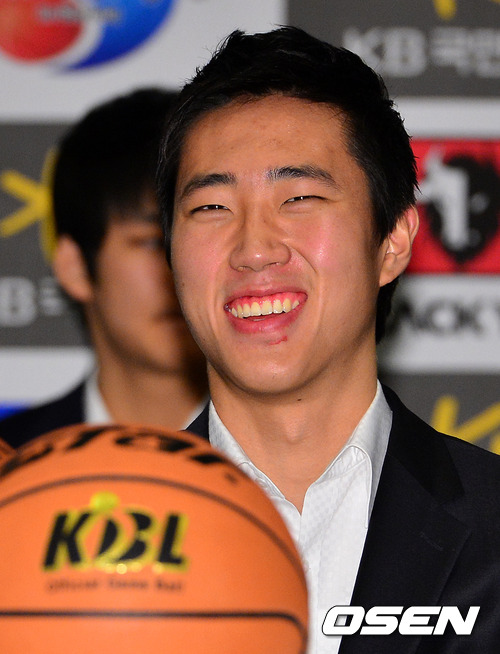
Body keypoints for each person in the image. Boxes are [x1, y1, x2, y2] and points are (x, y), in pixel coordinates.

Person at [156, 28, 500, 654]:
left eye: (300, 197)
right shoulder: (83, 542)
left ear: (392, 242)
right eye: (211, 207)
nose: (254, 249)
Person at [1, 89, 207, 448]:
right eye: (154, 242)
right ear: (76, 267)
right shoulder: (13, 461)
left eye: (201, 232)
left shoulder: (290, 459)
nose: (179, 266)